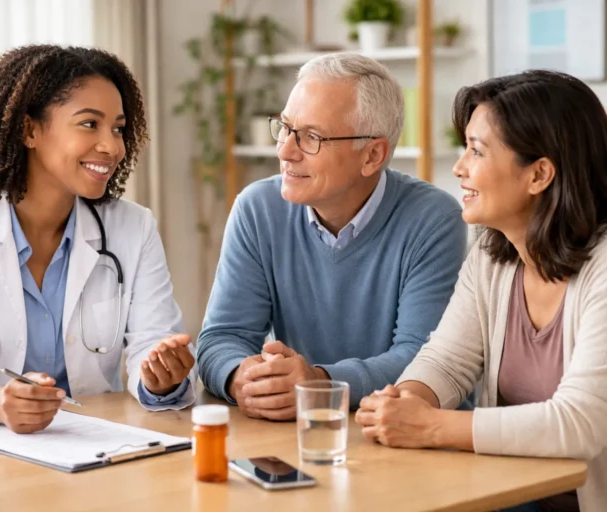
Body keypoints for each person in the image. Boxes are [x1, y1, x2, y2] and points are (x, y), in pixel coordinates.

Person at [355, 70, 607, 512]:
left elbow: (579, 424)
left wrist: (431, 427)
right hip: (512, 498)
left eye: (476, 151)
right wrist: (405, 402)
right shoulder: (493, 258)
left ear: (539, 174)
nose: (459, 168)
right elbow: (447, 362)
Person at [0, 45, 195, 433]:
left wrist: (158, 378)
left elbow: (153, 347)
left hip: (96, 444)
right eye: (89, 124)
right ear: (29, 130)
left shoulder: (133, 228)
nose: (113, 146)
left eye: (118, 128)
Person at [196, 53, 467, 420]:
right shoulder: (258, 208)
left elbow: (424, 361)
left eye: (311, 137)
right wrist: (245, 378)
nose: (285, 151)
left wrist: (319, 383)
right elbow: (220, 339)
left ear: (372, 155)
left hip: (410, 438)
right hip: (306, 436)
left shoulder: (433, 218)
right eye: (286, 128)